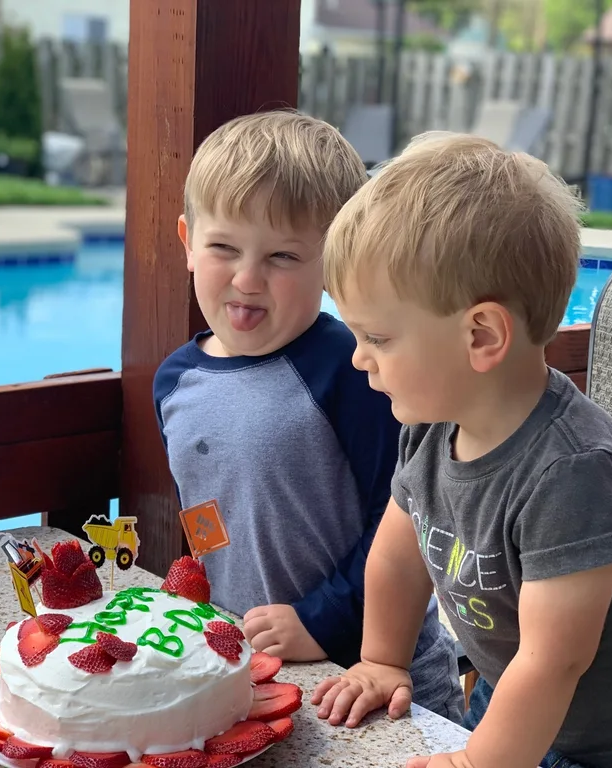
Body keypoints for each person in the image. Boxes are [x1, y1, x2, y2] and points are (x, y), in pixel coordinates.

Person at [312, 132, 612, 768]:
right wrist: (381, 660)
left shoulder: (572, 473)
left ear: (481, 334)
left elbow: (555, 657)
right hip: (515, 693)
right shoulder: (433, 425)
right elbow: (399, 557)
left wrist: (478, 762)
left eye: (376, 335)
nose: (358, 357)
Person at [152, 111, 465, 722]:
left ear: (334, 262)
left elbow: (409, 516)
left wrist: (320, 619)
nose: (247, 278)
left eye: (284, 256)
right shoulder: (175, 382)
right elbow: (211, 515)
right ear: (188, 241)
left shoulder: (356, 370)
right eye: (223, 247)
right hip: (252, 670)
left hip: (375, 678)